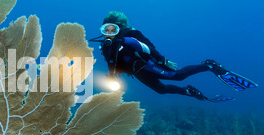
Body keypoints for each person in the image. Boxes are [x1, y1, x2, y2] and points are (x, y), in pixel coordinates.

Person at [90, 11, 258, 101]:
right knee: (161, 90)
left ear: (120, 27)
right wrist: (113, 77)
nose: (109, 33)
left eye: (113, 29)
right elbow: (112, 62)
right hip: (137, 72)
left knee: (178, 76)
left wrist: (164, 61)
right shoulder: (106, 46)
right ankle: (188, 91)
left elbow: (149, 48)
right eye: (106, 30)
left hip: (148, 64)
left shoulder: (131, 36)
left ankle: (210, 65)